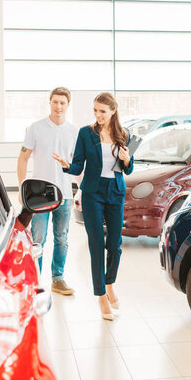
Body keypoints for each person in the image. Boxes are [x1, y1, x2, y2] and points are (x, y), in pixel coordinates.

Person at [53, 92, 133, 320]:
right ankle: (101, 297)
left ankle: (109, 284)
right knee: (97, 245)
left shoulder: (123, 134)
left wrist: (127, 160)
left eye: (102, 111)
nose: (98, 115)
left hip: (115, 192)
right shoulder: (86, 133)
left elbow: (127, 169)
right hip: (92, 194)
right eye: (95, 110)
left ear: (113, 111)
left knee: (115, 245)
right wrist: (67, 166)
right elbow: (78, 166)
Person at [17, 87, 78, 295]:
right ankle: (35, 280)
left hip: (65, 195)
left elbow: (77, 164)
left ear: (67, 105)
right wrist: (21, 186)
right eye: (55, 102)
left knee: (61, 237)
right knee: (38, 238)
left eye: (62, 103)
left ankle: (58, 278)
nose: (58, 106)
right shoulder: (36, 128)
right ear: (49, 103)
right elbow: (23, 157)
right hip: (39, 195)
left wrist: (81, 189)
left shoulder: (74, 132)